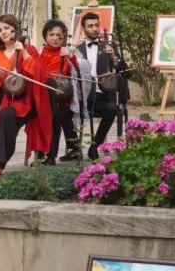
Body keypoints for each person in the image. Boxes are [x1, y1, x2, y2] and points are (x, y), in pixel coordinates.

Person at [0, 14, 51, 178]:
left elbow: (38, 74)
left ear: (15, 29)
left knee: (7, 115)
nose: (2, 32)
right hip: (2, 94)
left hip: (23, 96)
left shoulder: (29, 50)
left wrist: (24, 53)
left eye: (6, 28)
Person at [76, 12, 126, 159]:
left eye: (97, 25)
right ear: (83, 29)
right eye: (90, 26)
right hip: (82, 96)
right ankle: (73, 150)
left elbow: (125, 70)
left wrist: (113, 57)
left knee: (112, 109)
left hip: (101, 94)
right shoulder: (78, 50)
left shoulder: (108, 47)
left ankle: (94, 146)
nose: (94, 28)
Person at [40, 19, 90, 165]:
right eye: (51, 35)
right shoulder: (39, 53)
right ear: (46, 36)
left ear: (64, 38)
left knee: (58, 115)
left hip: (64, 97)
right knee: (52, 115)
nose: (55, 38)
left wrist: (71, 58)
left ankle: (50, 156)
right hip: (44, 98)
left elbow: (82, 72)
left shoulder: (71, 52)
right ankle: (73, 148)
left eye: (59, 36)